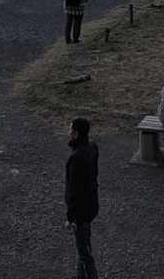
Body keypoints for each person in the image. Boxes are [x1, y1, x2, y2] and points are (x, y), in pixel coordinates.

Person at [64, 117, 100, 279]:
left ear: (76, 134)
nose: (69, 133)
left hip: (81, 212)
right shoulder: (92, 148)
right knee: (84, 244)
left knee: (84, 252)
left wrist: (70, 217)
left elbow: (74, 192)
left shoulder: (76, 159)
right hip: (91, 205)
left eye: (71, 130)